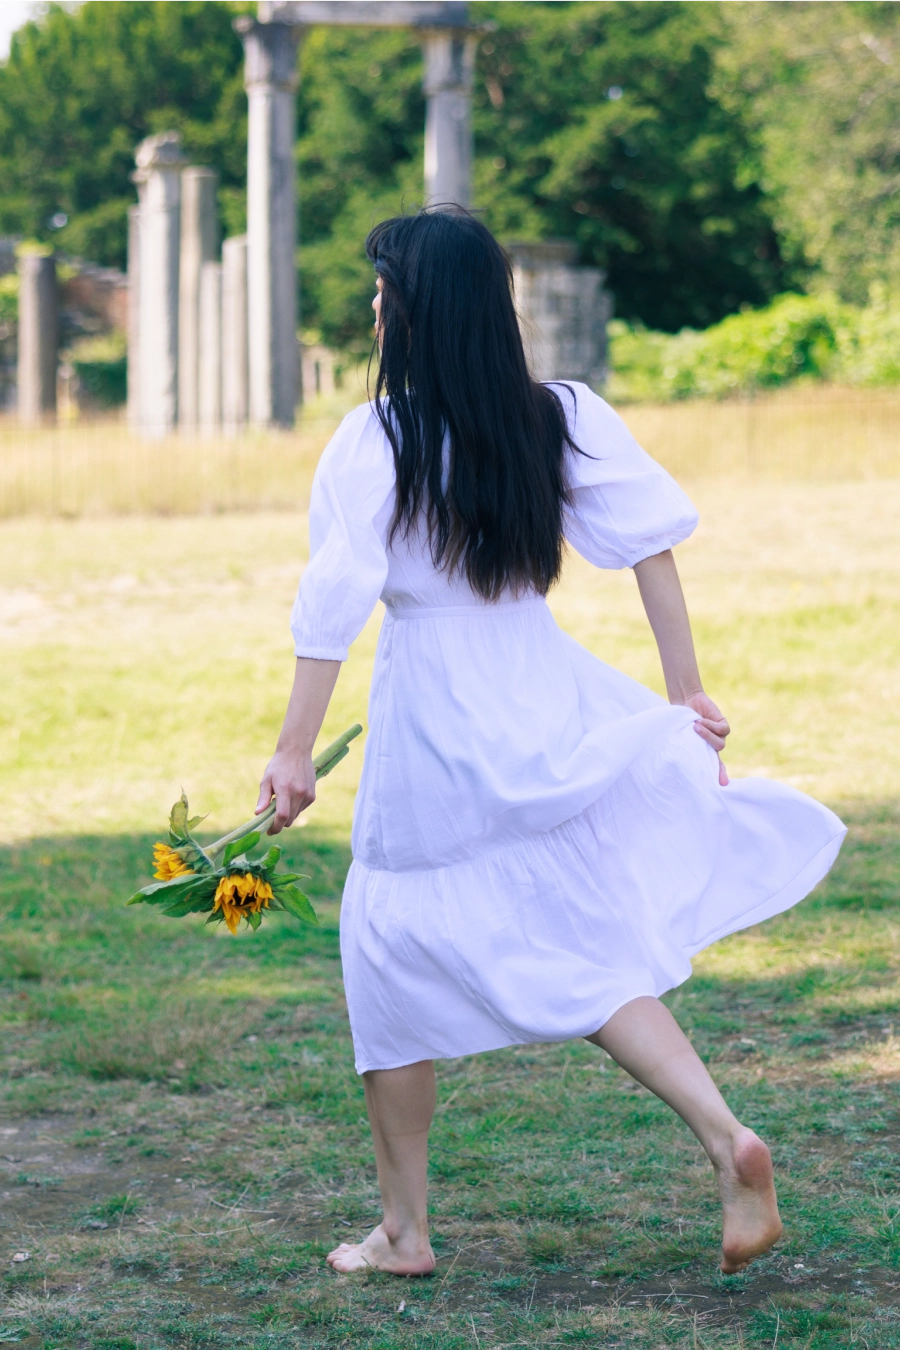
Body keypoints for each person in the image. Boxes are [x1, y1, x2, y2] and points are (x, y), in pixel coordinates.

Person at [256, 210, 846, 1278]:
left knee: (385, 941)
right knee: (577, 942)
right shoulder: (558, 416)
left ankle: (403, 1230)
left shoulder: (375, 436)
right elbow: (649, 544)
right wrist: (684, 691)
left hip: (436, 708)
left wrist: (295, 750)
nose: (375, 306)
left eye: (385, 289)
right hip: (541, 688)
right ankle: (725, 1138)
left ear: (421, 306)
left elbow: (332, 604)